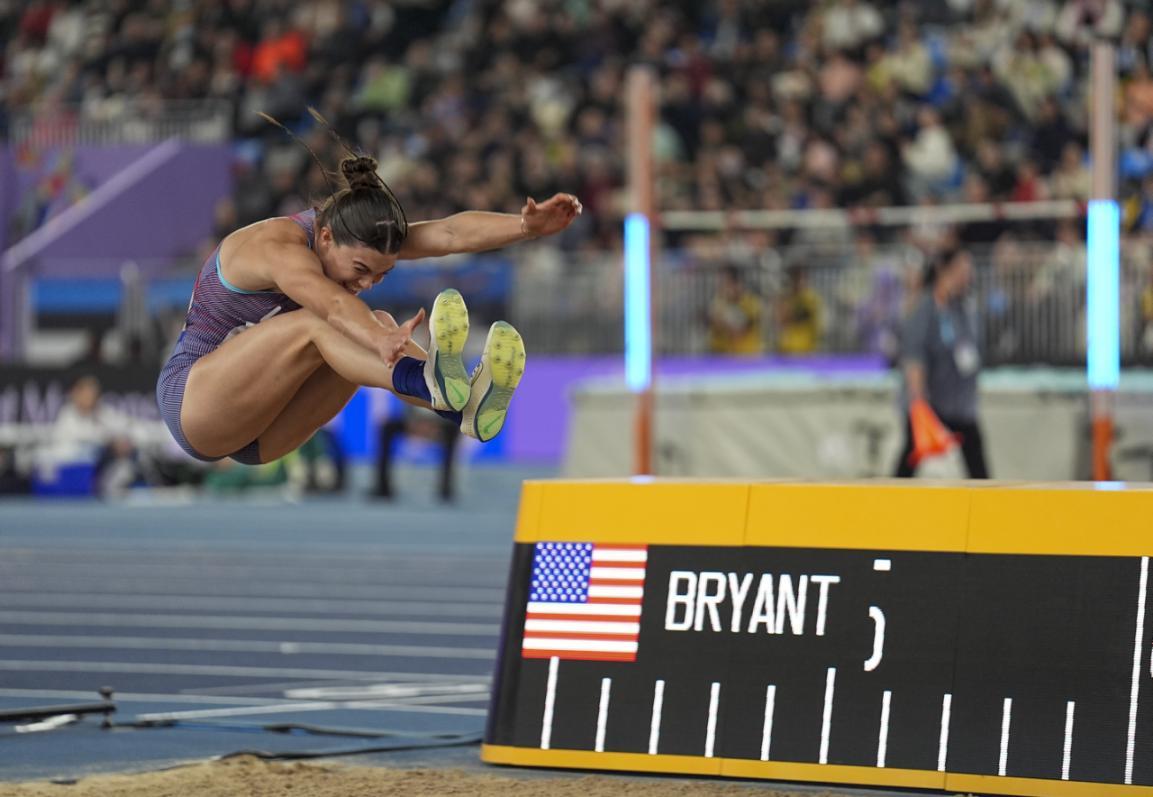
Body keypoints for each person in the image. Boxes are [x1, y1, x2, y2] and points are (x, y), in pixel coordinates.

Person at [157, 139, 581, 467]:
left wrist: (526, 227)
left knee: (371, 319)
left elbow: (450, 234)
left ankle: (468, 410)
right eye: (360, 269)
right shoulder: (275, 247)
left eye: (380, 275)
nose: (365, 282)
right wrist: (379, 340)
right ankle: (430, 383)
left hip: (265, 431)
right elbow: (333, 308)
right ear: (324, 237)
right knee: (330, 324)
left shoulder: (354, 237)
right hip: (195, 407)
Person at [893, 247, 989, 479]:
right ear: (944, 271)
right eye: (962, 270)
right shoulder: (924, 309)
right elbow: (914, 358)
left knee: (976, 459)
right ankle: (890, 502)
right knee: (910, 459)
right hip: (930, 402)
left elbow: (970, 351)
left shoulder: (963, 308)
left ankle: (989, 506)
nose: (967, 276)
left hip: (958, 404)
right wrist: (918, 403)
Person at [707, 264, 763, 355]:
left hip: (748, 355)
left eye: (726, 283)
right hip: (724, 355)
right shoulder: (719, 301)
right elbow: (715, 327)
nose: (723, 287)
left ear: (737, 283)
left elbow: (739, 332)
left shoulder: (751, 302)